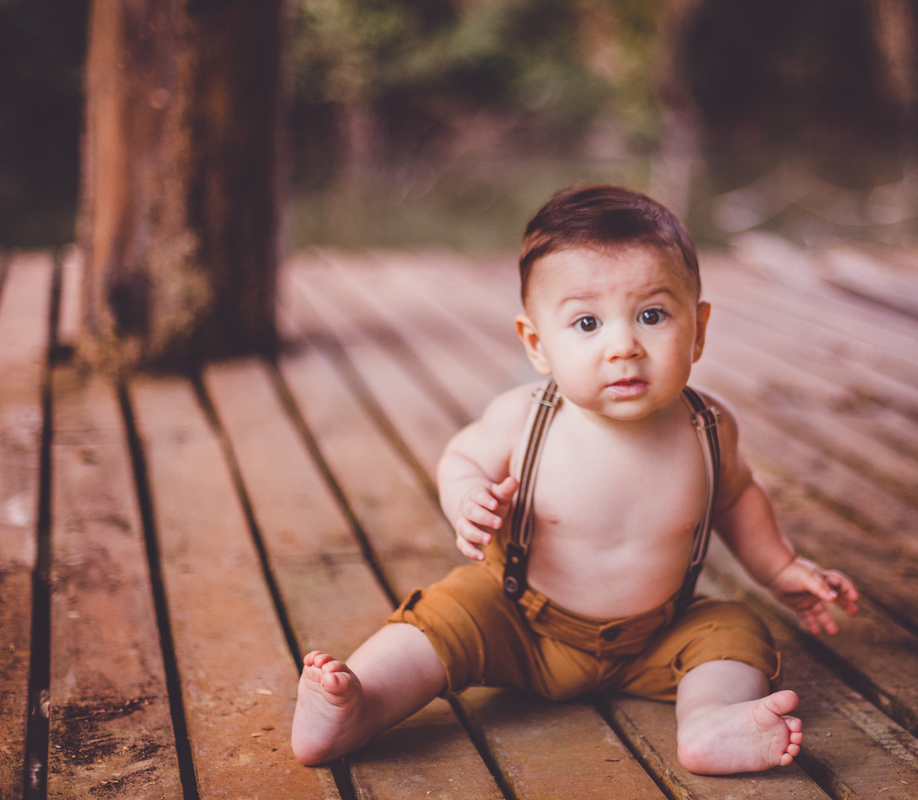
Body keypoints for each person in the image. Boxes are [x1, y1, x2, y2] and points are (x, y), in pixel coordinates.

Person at [291, 185, 858, 775]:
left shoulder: (709, 429)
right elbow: (462, 457)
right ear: (538, 344)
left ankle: (709, 721)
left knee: (735, 629)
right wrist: (467, 497)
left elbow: (738, 496)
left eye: (652, 315)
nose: (623, 346)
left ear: (699, 329)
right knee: (442, 616)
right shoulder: (526, 416)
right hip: (519, 620)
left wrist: (779, 568)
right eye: (587, 323)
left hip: (657, 634)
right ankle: (362, 703)